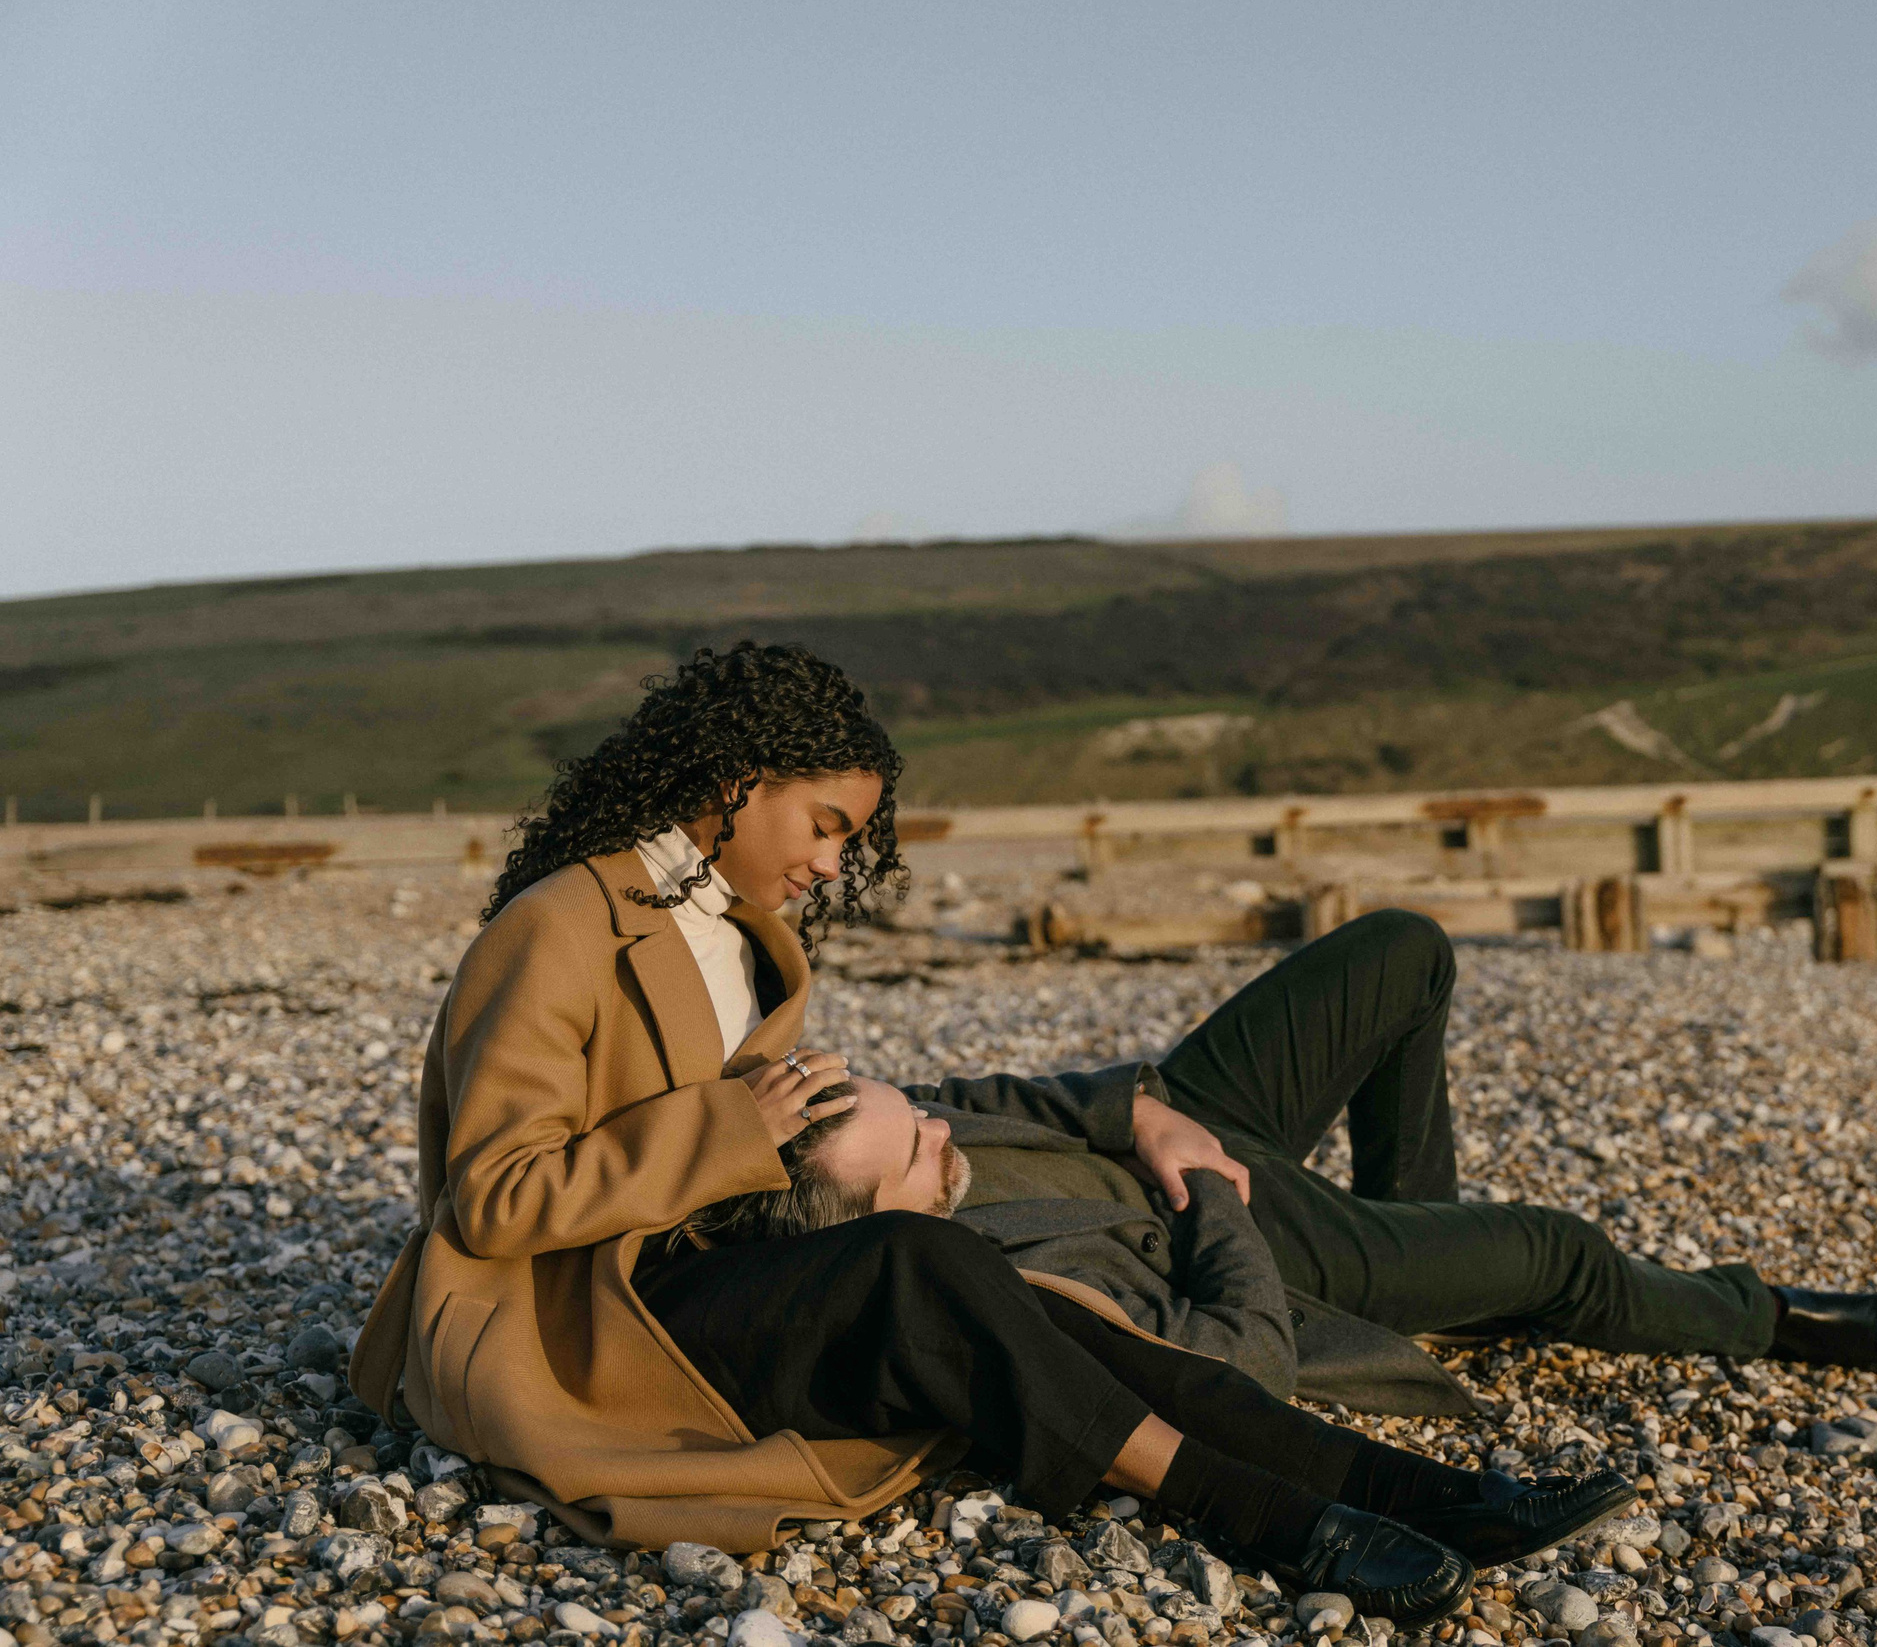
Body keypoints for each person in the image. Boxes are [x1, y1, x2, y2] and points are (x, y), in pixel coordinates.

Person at [349, 643, 1625, 1626]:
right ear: (736, 784)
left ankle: (1408, 1491)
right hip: (601, 1323)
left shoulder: (736, 933)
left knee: (1045, 1305)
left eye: (852, 839)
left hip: (715, 1271)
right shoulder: (558, 930)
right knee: (930, 1268)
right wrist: (721, 1128)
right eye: (825, 827)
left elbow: (798, 1142)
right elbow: (492, 1202)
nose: (834, 866)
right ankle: (1265, 1516)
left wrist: (1097, 1109)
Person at [693, 911, 1877, 1413]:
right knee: (1563, 1254)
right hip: (1261, 1240)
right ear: (886, 1232)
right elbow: (1239, 1352)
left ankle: (1428, 1243)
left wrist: (1145, 1116)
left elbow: (1002, 1094)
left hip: (1181, 1126)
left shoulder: (890, 1128)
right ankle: (1765, 1317)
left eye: (909, 1108)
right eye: (920, 1156)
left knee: (1402, 952)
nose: (941, 1129)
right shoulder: (994, 1286)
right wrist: (1201, 1194)